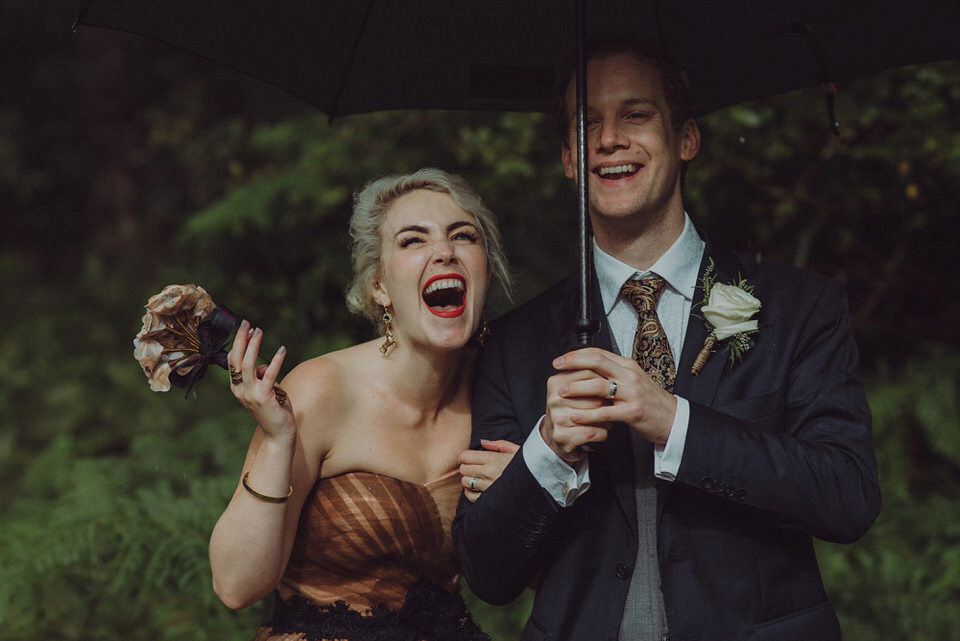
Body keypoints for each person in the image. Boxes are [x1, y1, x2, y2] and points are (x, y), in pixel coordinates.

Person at [453, 40, 881, 641]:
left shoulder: (800, 308)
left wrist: (674, 422)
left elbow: (847, 495)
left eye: (636, 114)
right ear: (569, 158)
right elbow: (488, 576)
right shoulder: (515, 341)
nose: (609, 139)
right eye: (587, 123)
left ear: (687, 139)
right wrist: (545, 456)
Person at [208, 168, 517, 641]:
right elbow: (235, 586)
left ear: (485, 270)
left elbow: (528, 579)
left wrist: (531, 491)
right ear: (378, 287)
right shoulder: (322, 389)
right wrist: (277, 441)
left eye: (463, 236)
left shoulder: (505, 395)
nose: (444, 251)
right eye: (414, 241)